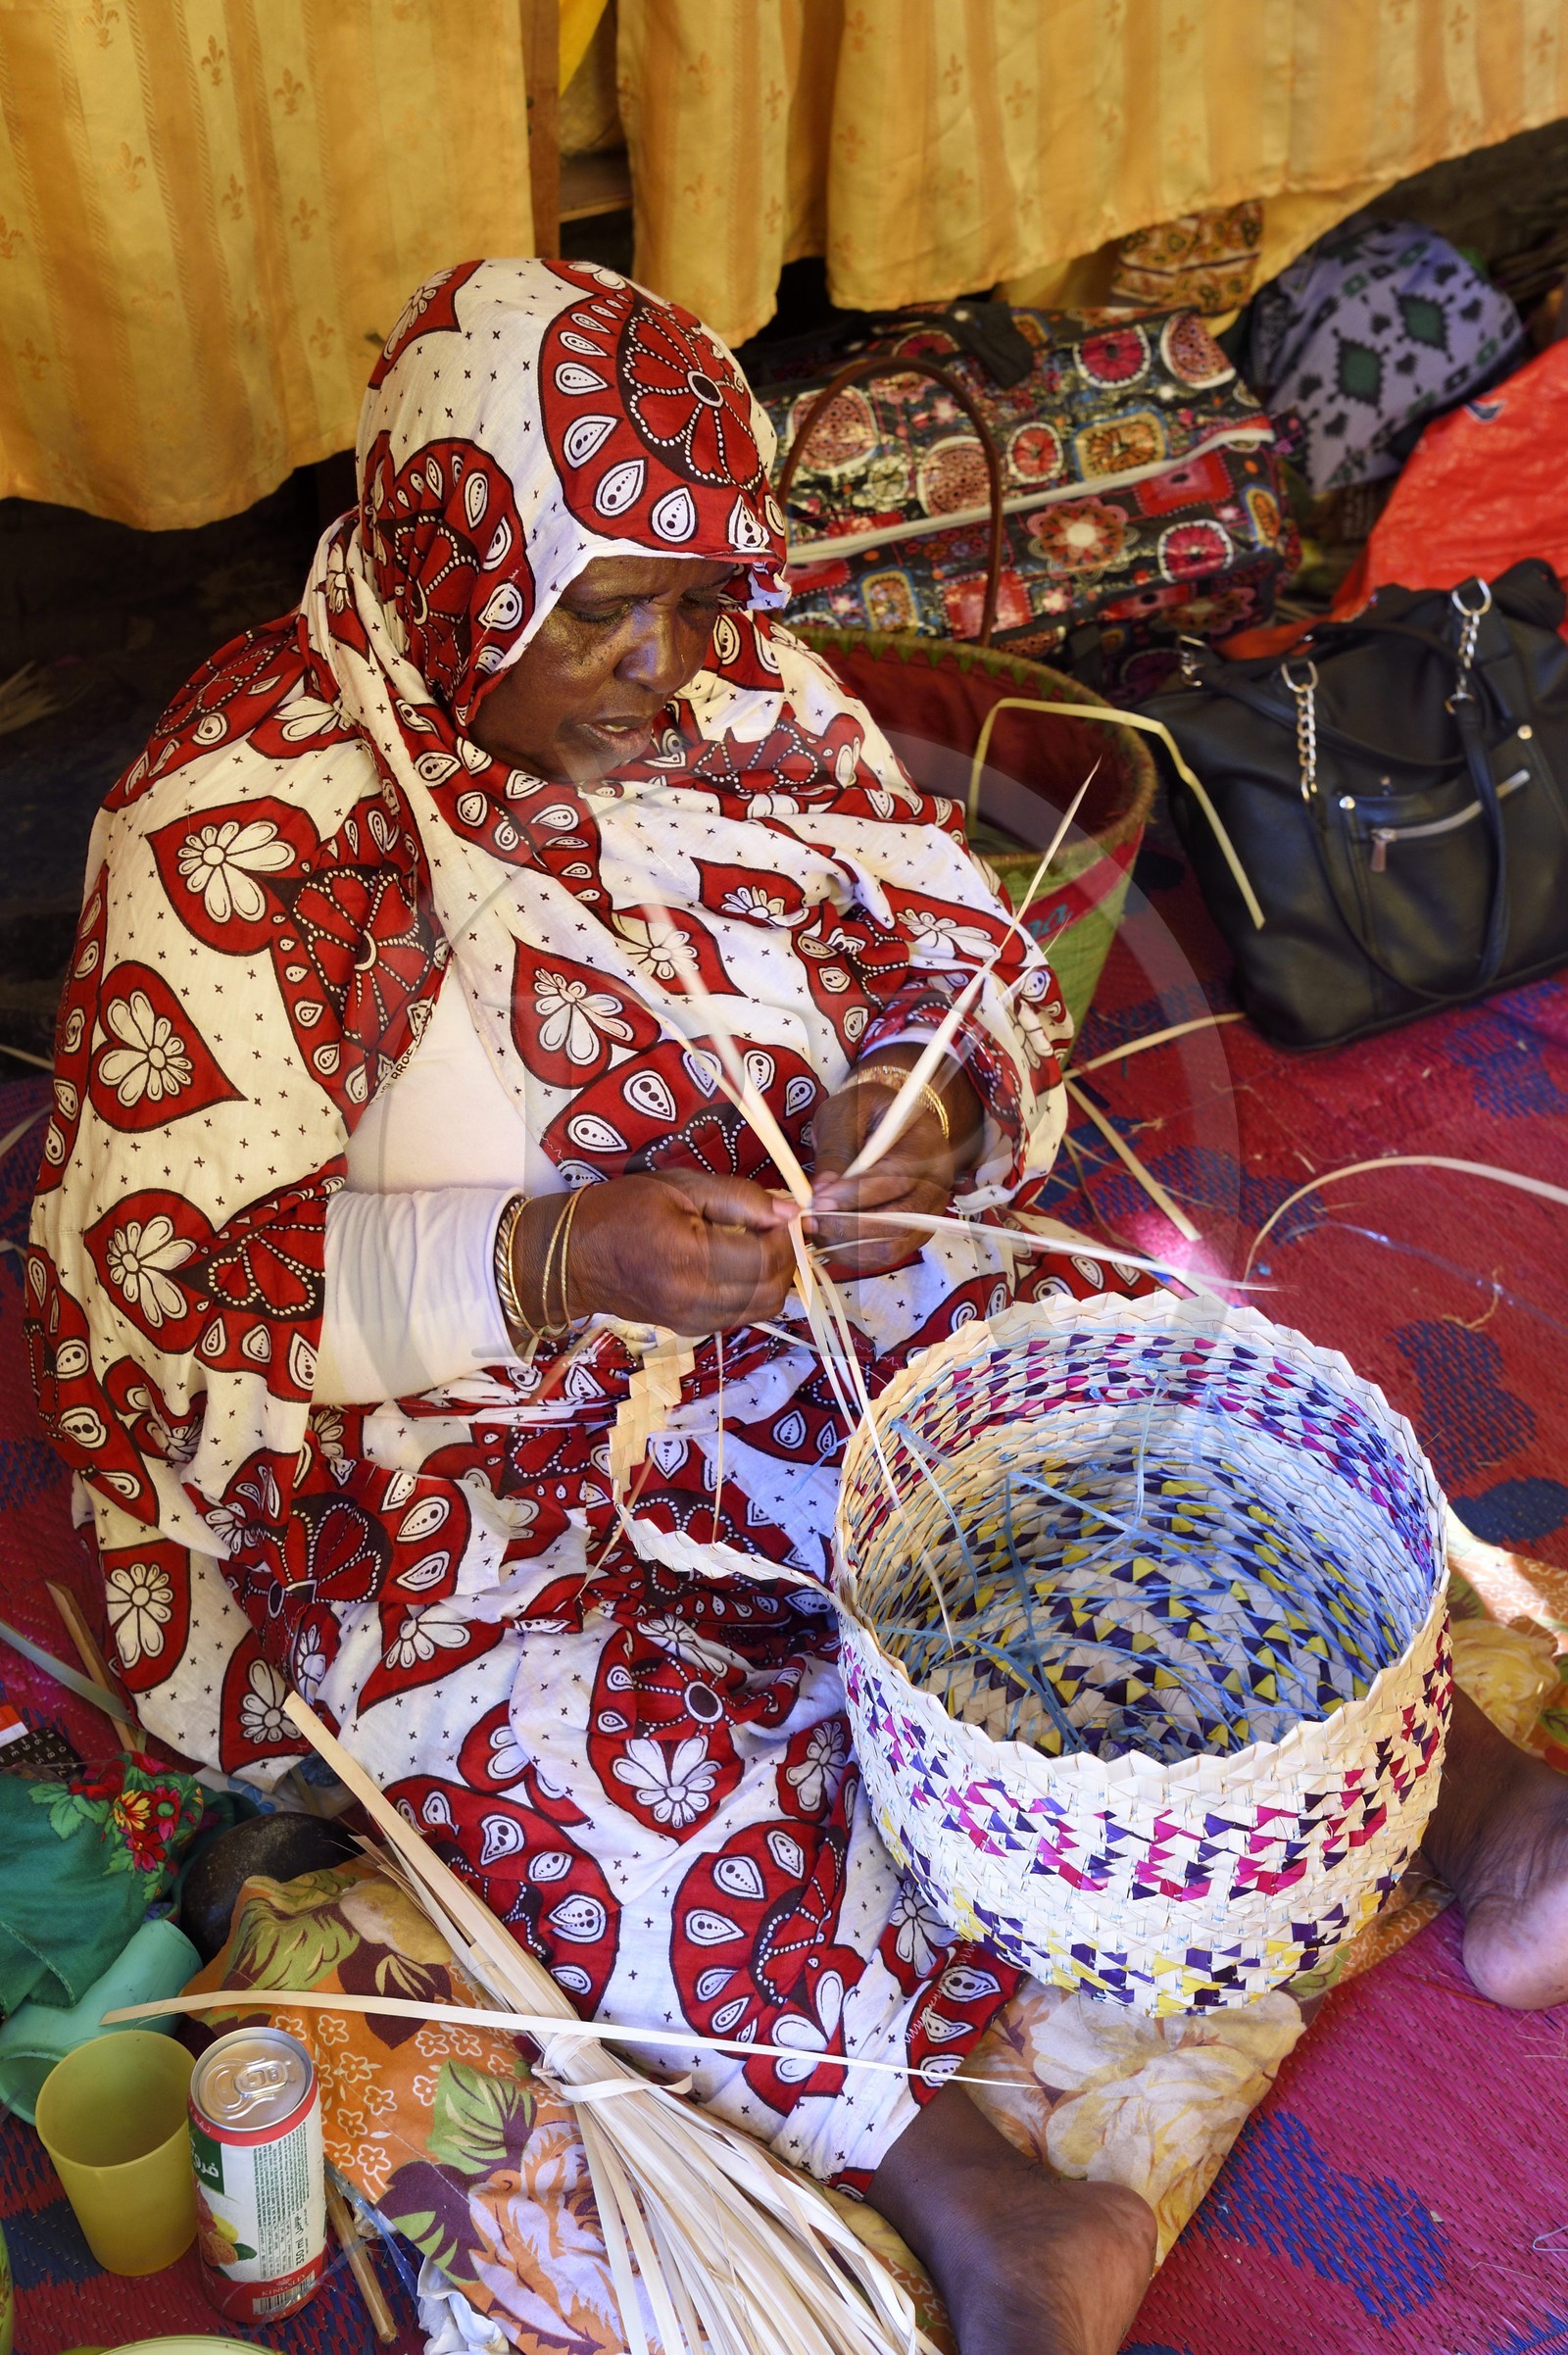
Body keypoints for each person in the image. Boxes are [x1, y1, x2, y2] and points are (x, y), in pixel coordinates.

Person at [26, 258, 1568, 2355]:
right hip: (424, 1431)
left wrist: (912, 1111)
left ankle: (1475, 1809)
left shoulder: (733, 685)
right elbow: (167, 1262)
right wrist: (562, 1256)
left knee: (1071, 1422)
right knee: (539, 1729)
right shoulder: (237, 815)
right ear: (454, 562)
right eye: (600, 608)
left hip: (779, 1287)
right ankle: (996, 2202)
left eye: (696, 591)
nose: (670, 663)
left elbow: (958, 948)